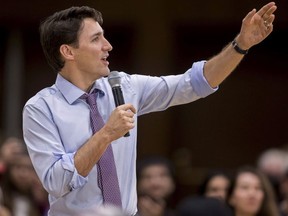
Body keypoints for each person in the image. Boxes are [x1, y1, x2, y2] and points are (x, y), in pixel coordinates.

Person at [22, 2, 277, 216]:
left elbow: (193, 84)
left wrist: (241, 45)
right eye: (96, 38)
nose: (108, 45)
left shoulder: (124, 86)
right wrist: (106, 134)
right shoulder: (40, 109)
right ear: (68, 51)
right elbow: (56, 182)